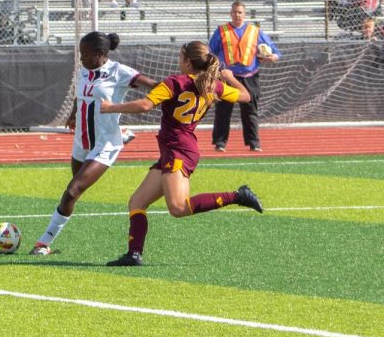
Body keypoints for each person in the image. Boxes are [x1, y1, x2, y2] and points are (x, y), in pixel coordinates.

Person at [98, 42, 264, 267]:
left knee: (178, 208)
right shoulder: (212, 85)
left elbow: (146, 105)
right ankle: (133, 254)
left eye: (180, 56)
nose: (178, 60)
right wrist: (229, 77)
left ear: (187, 62)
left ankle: (238, 195)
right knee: (137, 201)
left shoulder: (175, 82)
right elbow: (246, 96)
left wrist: (112, 107)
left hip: (178, 149)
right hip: (177, 148)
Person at [28, 32, 159, 256]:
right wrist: (72, 115)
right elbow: (81, 96)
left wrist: (179, 88)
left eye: (86, 54)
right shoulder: (84, 70)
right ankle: (123, 136)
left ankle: (43, 243)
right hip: (82, 140)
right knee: (75, 192)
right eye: (80, 53)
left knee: (72, 191)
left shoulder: (119, 72)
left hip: (104, 144)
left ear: (100, 55)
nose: (82, 58)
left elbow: (155, 86)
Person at [208, 0, 280, 153]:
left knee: (250, 111)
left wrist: (272, 57)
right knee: (223, 110)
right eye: (234, 12)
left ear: (244, 14)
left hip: (249, 76)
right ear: (230, 13)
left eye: (240, 12)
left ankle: (254, 142)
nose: (237, 15)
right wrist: (216, 68)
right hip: (227, 76)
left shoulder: (255, 31)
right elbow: (211, 52)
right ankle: (220, 143)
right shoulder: (221, 31)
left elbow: (274, 51)